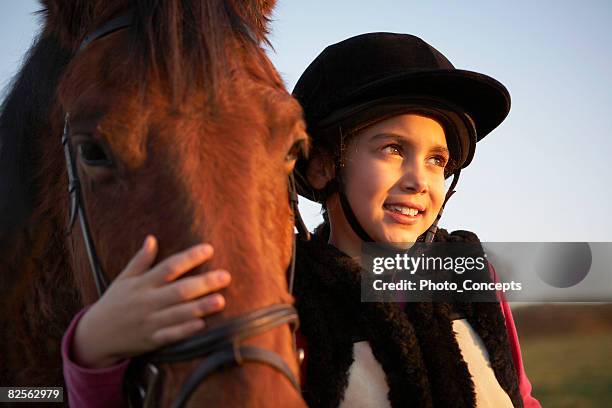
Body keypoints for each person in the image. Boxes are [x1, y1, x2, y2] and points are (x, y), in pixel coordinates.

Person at [61, 33, 541, 407]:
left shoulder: (469, 275)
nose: (421, 179)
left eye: (438, 160)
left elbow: (520, 396)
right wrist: (92, 351)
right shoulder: (282, 292)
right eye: (393, 149)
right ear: (321, 165)